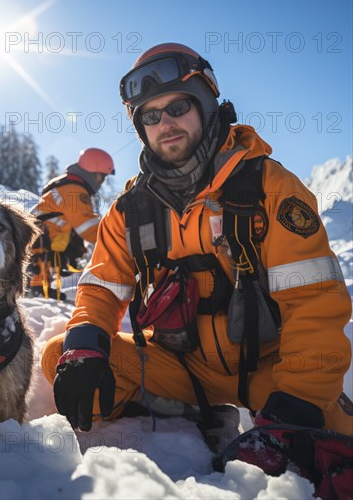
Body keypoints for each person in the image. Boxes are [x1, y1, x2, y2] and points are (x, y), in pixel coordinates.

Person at [41, 44, 352, 487]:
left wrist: (294, 409)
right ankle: (191, 412)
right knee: (62, 358)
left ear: (206, 104)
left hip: (270, 372)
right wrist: (85, 346)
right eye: (150, 116)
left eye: (178, 107)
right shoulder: (129, 209)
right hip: (178, 367)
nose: (164, 123)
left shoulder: (272, 187)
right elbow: (102, 288)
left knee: (336, 442)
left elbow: (313, 301)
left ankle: (273, 417)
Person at [28, 148, 115, 301]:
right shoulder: (73, 191)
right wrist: (118, 238)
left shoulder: (69, 186)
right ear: (93, 173)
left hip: (40, 242)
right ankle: (36, 288)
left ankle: (39, 287)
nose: (101, 183)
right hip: (37, 243)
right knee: (43, 249)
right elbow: (88, 227)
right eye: (102, 177)